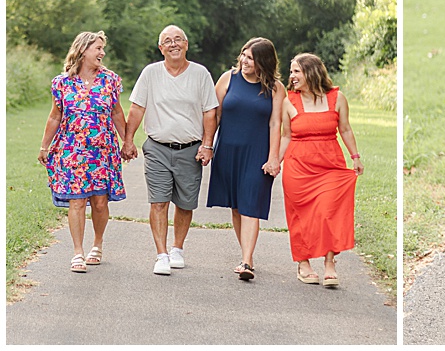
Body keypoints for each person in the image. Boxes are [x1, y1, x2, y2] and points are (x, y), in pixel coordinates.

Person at [121, 25, 218, 276]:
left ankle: (177, 248)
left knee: (185, 204)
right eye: (167, 41)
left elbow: (210, 112)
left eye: (178, 40)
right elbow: (137, 109)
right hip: (157, 148)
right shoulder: (151, 73)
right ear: (160, 48)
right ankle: (161, 254)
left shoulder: (200, 74)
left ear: (186, 44)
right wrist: (128, 140)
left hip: (190, 149)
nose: (173, 44)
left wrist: (207, 145)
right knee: (159, 201)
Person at [38, 31, 127, 273]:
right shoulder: (62, 82)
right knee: (76, 201)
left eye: (102, 48)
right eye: (98, 48)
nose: (102, 53)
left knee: (99, 202)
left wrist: (127, 140)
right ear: (83, 50)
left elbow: (117, 113)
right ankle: (77, 252)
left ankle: (97, 245)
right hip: (72, 149)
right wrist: (44, 145)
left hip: (102, 150)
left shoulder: (110, 80)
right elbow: (55, 116)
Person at [279, 53, 364, 286]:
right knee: (301, 216)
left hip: (330, 164)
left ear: (311, 72)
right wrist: (275, 161)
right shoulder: (289, 101)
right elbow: (286, 136)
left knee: (329, 212)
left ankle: (329, 262)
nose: (291, 76)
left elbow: (345, 129)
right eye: (291, 71)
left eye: (296, 71)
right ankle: (303, 263)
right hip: (298, 166)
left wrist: (355, 156)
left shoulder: (337, 98)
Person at [206, 37, 287, 280]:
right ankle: (245, 254)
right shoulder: (228, 78)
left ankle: (247, 261)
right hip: (229, 150)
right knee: (237, 206)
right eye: (243, 54)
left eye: (250, 58)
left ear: (264, 61)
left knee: (250, 204)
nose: (244, 60)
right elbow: (214, 114)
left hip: (257, 153)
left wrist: (274, 158)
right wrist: (207, 145)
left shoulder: (275, 88)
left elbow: (276, 123)